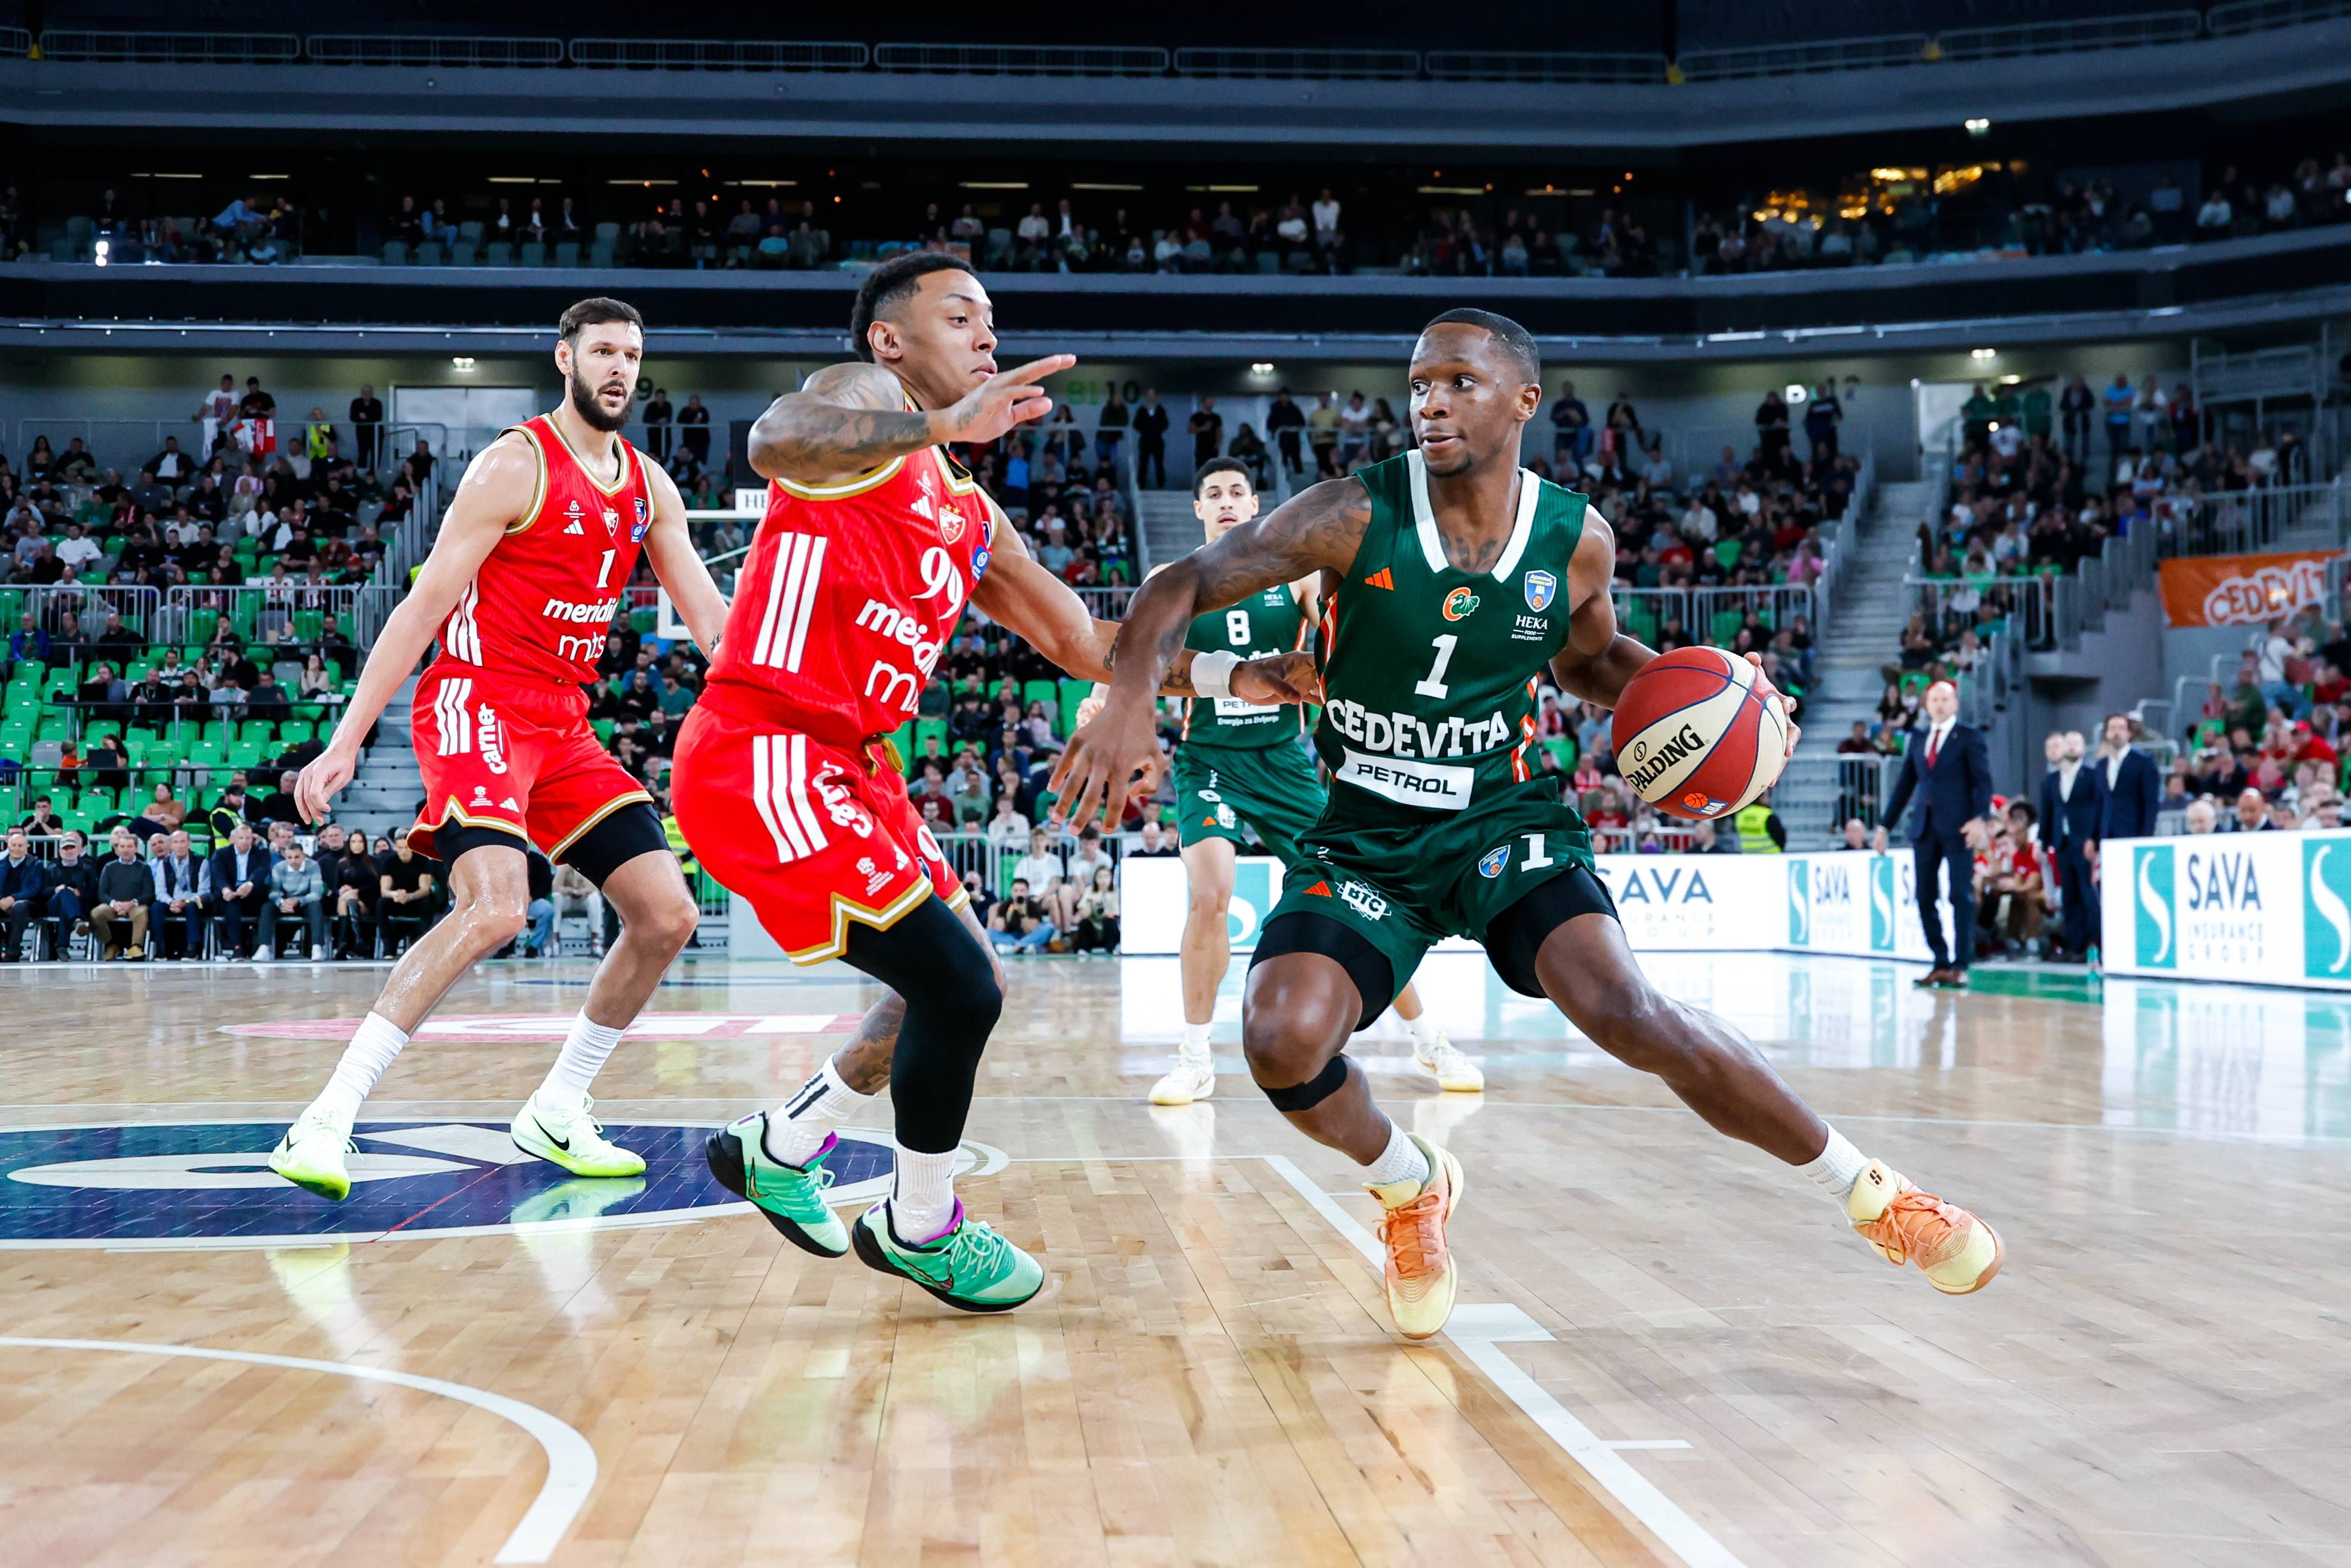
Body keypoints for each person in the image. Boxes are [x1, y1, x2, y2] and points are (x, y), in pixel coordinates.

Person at [1057, 308, 2003, 1341]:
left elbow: (1589, 665)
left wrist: (1723, 699)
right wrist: (1134, 700)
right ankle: (1411, 1182)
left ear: (1522, 400)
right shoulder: (1352, 513)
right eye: (1418, 383)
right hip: (1366, 831)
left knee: (1627, 1009)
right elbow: (1180, 581)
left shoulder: (1576, 540)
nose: (1430, 402)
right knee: (1280, 1042)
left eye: (1459, 382)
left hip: (1503, 816)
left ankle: (1871, 1193)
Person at [671, 252, 1310, 1314]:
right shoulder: (860, 402)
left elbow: (1082, 640)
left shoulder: (972, 512)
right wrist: (938, 424)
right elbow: (772, 441)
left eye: (992, 320)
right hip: (765, 746)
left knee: (962, 989)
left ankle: (781, 1143)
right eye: (960, 316)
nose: (986, 336)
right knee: (956, 987)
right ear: (889, 340)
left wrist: (1243, 675)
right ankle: (922, 1225)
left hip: (858, 771)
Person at [269, 297, 727, 1202]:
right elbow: (422, 605)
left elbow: (714, 624)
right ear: (565, 358)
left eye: (632, 355)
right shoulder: (512, 465)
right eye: (602, 350)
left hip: (563, 723)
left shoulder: (649, 486)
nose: (620, 369)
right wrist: (344, 742)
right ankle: (325, 1116)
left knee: (667, 914)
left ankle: (558, 1106)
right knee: (496, 909)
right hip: (474, 701)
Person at [1085, 458, 1470, 1107]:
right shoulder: (1169, 579)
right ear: (1199, 510)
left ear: (1256, 504)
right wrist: (1102, 700)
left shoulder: (1291, 579)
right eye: (1214, 493)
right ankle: (1194, 1056)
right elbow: (1131, 648)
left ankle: (1429, 1037)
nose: (1227, 500)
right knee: (1210, 894)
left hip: (1283, 761)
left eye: (1238, 491)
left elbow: (1342, 630)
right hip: (1207, 758)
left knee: (1357, 895)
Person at [1874, 681, 1995, 988]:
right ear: (1927, 705)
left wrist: (1981, 818)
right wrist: (1884, 826)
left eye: (1945, 699)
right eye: (1934, 699)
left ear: (1955, 703)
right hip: (1924, 828)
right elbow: (1904, 786)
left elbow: (1983, 782)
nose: (1939, 704)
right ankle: (1939, 960)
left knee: (1959, 895)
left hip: (1959, 827)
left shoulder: (1969, 736)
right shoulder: (1918, 737)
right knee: (1925, 897)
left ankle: (1961, 963)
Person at [2035, 730, 2105, 964]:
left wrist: (2094, 838)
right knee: (2070, 897)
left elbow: (2099, 809)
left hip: (2084, 842)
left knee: (2089, 894)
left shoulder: (2093, 776)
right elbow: (2047, 814)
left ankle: (2095, 944)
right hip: (2062, 843)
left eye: (2078, 743)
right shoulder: (2051, 781)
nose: (2073, 747)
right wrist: (2042, 843)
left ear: (2085, 749)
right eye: (2069, 743)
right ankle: (2075, 946)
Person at [2097, 713, 2162, 844]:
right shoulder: (2101, 765)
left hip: (2134, 834)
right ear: (2106, 734)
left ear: (2129, 733)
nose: (2117, 733)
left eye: (2121, 728)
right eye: (2112, 728)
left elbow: (2151, 803)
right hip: (2106, 836)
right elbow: (2098, 803)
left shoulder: (2144, 762)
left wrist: (2146, 836)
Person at [260, 836, 328, 960]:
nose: (293, 861)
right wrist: (282, 902)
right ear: (286, 857)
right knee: (267, 907)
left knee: (316, 906)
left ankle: (317, 948)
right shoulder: (279, 867)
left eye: (297, 857)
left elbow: (316, 893)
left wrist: (298, 901)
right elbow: (274, 892)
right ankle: (264, 947)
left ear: (304, 856)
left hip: (305, 902)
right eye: (290, 858)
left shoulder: (313, 866)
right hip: (285, 903)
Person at [92, 826, 154, 960]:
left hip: (135, 905)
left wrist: (132, 903)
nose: (126, 850)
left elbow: (149, 893)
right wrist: (115, 904)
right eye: (123, 846)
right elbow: (102, 893)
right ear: (117, 848)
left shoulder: (144, 868)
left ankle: (136, 947)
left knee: (142, 912)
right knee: (97, 913)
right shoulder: (109, 867)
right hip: (114, 905)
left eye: (130, 846)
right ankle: (111, 945)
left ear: (136, 849)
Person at [148, 828, 209, 960]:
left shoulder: (201, 862)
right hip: (172, 902)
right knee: (156, 908)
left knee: (193, 907)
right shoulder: (164, 863)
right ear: (171, 845)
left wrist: (186, 902)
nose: (179, 845)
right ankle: (161, 950)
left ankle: (192, 949)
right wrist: (171, 902)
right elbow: (160, 891)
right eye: (176, 842)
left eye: (183, 842)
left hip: (192, 901)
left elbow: (204, 890)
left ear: (189, 843)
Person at [375, 829, 437, 950]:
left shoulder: (422, 861)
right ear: (396, 848)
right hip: (397, 899)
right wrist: (395, 894)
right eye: (400, 848)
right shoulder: (389, 861)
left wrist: (409, 896)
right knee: (381, 904)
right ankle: (388, 946)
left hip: (416, 899)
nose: (403, 852)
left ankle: (420, 944)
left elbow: (424, 889)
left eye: (406, 848)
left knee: (428, 900)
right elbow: (384, 890)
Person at [42, 830, 97, 957]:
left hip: (80, 905)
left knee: (65, 909)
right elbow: (43, 892)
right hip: (53, 905)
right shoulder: (51, 869)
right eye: (65, 848)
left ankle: (62, 947)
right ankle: (76, 921)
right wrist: (56, 890)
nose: (69, 851)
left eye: (72, 848)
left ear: (78, 851)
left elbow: (94, 893)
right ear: (60, 852)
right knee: (65, 892)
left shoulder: (87, 868)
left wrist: (80, 893)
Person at [0, 829, 42, 960]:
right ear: (8, 846)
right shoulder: (1, 864)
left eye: (21, 846)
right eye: (14, 845)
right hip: (3, 901)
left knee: (19, 907)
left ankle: (13, 951)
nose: (17, 849)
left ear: (27, 848)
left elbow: (34, 889)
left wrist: (13, 898)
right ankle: (4, 941)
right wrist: (1, 900)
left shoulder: (36, 864)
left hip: (27, 903)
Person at [1131, 388, 1169, 488]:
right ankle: (1141, 485)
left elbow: (1165, 424)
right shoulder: (1142, 410)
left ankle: (1161, 485)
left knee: (1159, 464)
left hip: (1157, 440)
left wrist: (1156, 428)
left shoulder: (1160, 410)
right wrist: (1146, 428)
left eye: (1153, 395)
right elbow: (1136, 424)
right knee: (1143, 463)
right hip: (1145, 440)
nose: (1151, 397)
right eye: (1149, 395)